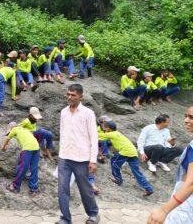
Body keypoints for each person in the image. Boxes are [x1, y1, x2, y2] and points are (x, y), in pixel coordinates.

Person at [57, 84, 99, 224]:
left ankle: (93, 213)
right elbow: (62, 134)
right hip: (65, 157)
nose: (69, 97)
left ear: (81, 96)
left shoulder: (88, 113)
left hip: (82, 158)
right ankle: (65, 218)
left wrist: (93, 160)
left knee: (85, 189)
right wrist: (61, 154)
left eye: (73, 95)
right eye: (68, 94)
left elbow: (94, 137)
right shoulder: (63, 112)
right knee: (62, 189)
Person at [147, 105, 193, 223]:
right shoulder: (149, 129)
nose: (186, 120)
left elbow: (191, 182)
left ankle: (159, 162)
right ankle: (153, 162)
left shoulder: (167, 132)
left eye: (191, 117)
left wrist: (164, 210)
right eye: (186, 116)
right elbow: (142, 141)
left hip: (187, 201)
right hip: (152, 150)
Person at [100, 121, 154, 196]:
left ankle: (118, 179)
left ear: (109, 128)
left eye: (105, 127)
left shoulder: (111, 134)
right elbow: (112, 142)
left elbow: (98, 136)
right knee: (136, 171)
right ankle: (148, 188)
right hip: (133, 152)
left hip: (126, 152)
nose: (104, 129)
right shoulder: (117, 134)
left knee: (114, 162)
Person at [1, 122, 40, 194]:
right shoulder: (24, 129)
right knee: (34, 168)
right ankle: (34, 188)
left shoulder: (14, 129)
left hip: (28, 148)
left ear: (11, 128)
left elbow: (7, 138)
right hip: (36, 147)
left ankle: (15, 186)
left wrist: (3, 147)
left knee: (22, 167)